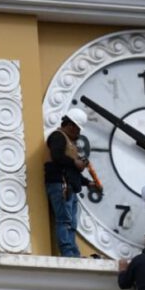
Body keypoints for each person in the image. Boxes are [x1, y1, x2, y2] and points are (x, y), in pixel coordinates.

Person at [44, 108, 94, 257]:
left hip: (69, 185)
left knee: (71, 223)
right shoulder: (58, 137)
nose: (78, 133)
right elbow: (57, 157)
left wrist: (86, 182)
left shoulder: (69, 143)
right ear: (71, 125)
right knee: (65, 220)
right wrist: (75, 162)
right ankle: (68, 252)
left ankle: (73, 252)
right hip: (61, 184)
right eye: (78, 129)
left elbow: (71, 169)